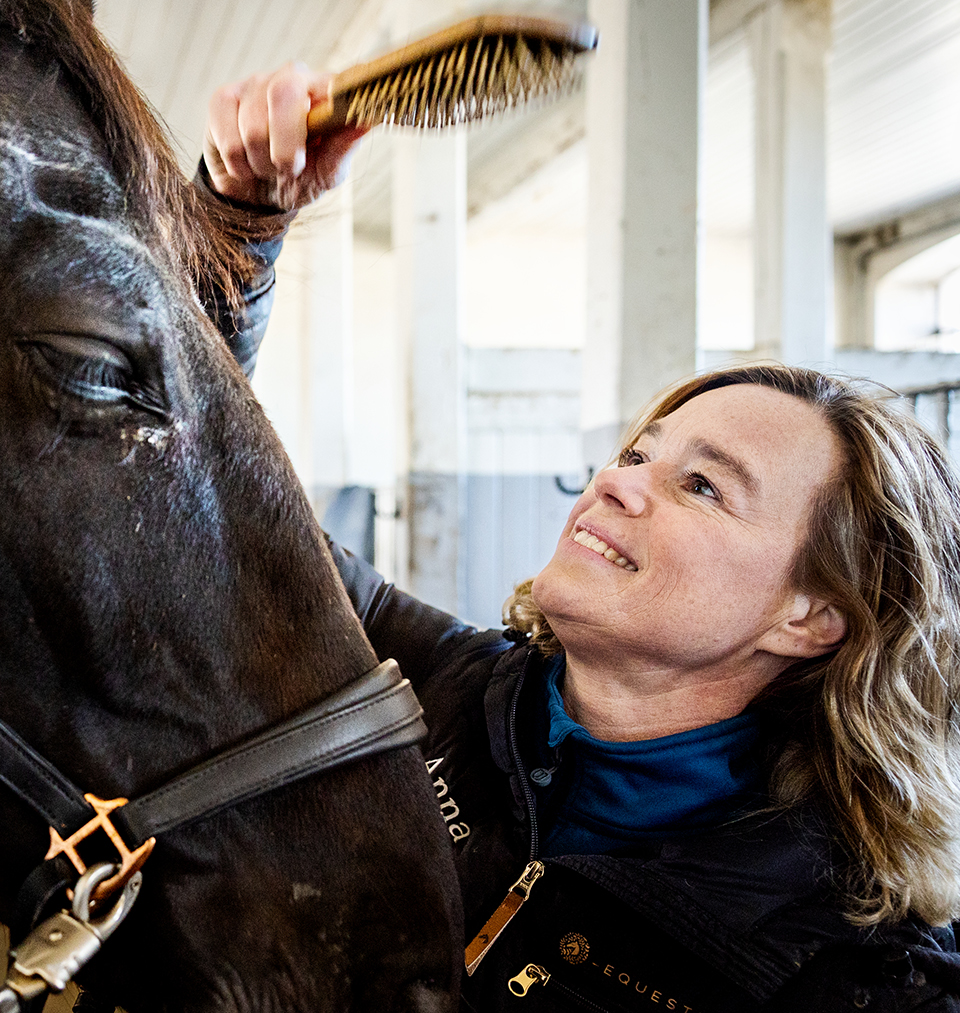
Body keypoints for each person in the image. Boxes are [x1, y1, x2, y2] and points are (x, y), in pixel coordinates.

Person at [202, 63, 960, 1011]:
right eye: (637, 454)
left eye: (700, 484)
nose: (617, 481)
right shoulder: (434, 687)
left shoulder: (858, 971)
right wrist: (239, 229)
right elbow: (217, 515)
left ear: (813, 616)